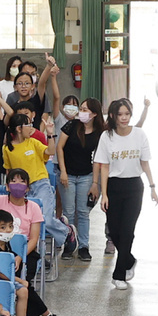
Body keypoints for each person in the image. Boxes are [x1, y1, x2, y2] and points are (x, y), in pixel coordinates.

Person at [0, 171, 63, 316]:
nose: (18, 184)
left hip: (25, 253)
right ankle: (46, 315)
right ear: (7, 186)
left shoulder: (33, 207)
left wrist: (20, 257)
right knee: (18, 283)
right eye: (13, 181)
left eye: (22, 182)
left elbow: (34, 239)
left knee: (22, 280)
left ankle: (26, 315)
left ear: (28, 187)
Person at [96, 98, 158, 289]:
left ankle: (119, 274)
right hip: (114, 187)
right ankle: (129, 260)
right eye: (120, 114)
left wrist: (152, 187)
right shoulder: (107, 136)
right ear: (113, 116)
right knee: (114, 231)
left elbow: (145, 163)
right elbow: (104, 167)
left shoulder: (139, 134)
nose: (124, 118)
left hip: (133, 187)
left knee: (127, 231)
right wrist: (104, 193)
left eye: (127, 114)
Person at [3, 112, 72, 259]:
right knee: (26, 224)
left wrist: (50, 134)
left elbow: (50, 151)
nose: (31, 128)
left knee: (45, 219)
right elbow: (8, 170)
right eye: (27, 125)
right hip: (21, 190)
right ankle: (38, 256)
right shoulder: (7, 149)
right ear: (18, 129)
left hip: (40, 184)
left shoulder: (33, 143)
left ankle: (67, 232)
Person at [57, 97, 104, 261]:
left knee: (83, 212)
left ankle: (84, 246)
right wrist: (62, 171)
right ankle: (69, 245)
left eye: (85, 110)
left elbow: (99, 159)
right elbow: (59, 147)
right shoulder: (71, 125)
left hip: (86, 176)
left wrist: (95, 183)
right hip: (67, 175)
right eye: (81, 109)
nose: (81, 112)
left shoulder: (100, 133)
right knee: (68, 212)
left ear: (94, 114)